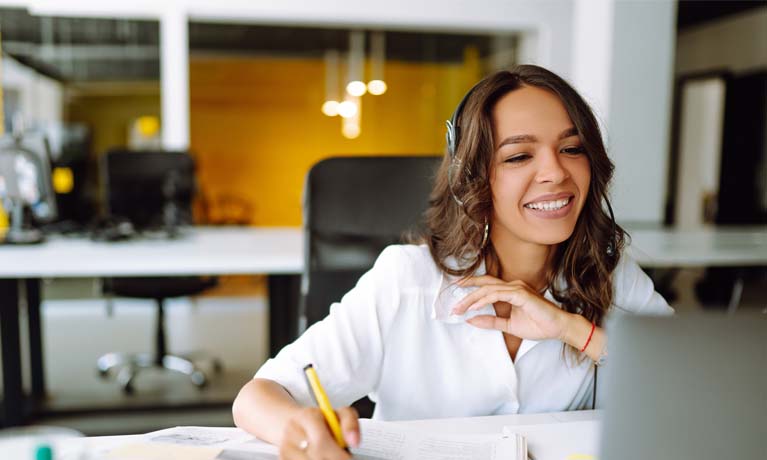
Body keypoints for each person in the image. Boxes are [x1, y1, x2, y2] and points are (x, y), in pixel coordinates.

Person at [232, 64, 672, 459]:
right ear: (473, 176)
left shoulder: (610, 273)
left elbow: (689, 389)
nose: (556, 172)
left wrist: (571, 329)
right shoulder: (408, 278)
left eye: (573, 149)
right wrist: (300, 429)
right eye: (519, 156)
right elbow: (256, 397)